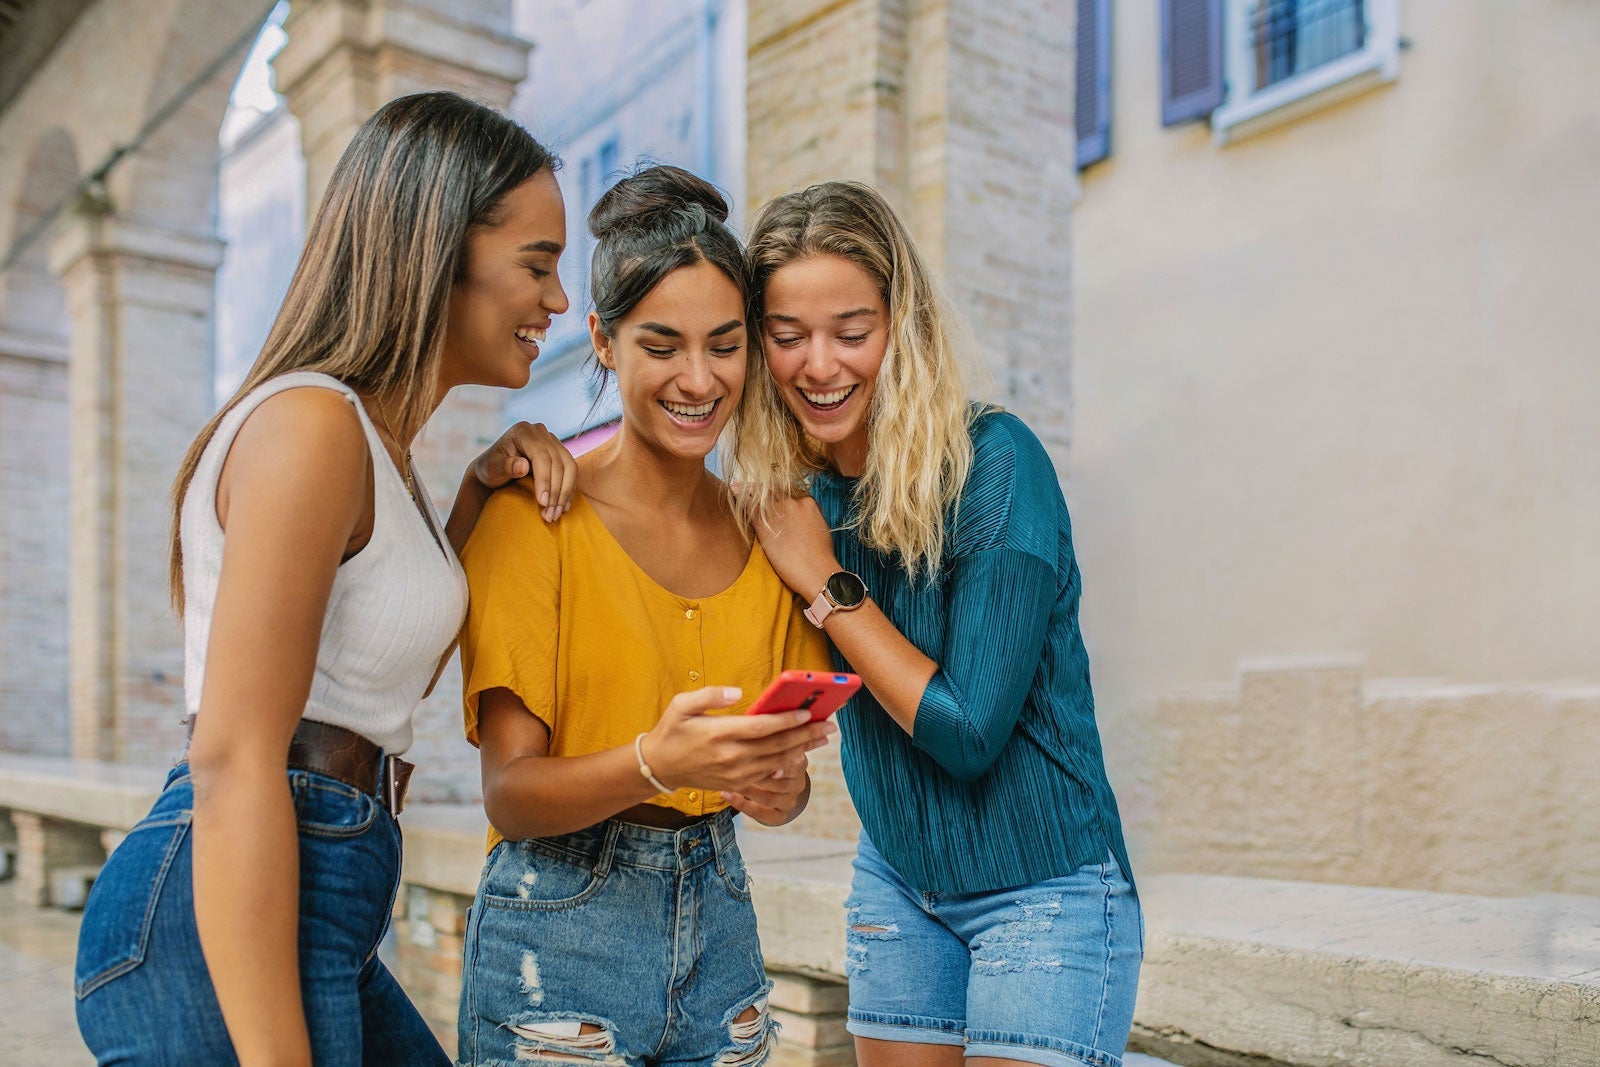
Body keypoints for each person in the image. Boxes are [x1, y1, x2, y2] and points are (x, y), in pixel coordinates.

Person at [73, 91, 578, 1066]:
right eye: (538, 264)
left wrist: (475, 495)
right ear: (439, 249)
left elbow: (374, 676)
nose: (558, 302)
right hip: (223, 902)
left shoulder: (374, 448)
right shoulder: (312, 428)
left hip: (324, 882)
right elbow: (232, 762)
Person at [730, 180, 1143, 1067]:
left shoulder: (996, 464)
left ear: (899, 328)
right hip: (898, 882)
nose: (820, 365)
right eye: (787, 335)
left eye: (852, 331)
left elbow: (968, 731)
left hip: (1046, 890)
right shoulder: (792, 500)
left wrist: (827, 581)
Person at [454, 164, 835, 1067]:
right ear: (603, 341)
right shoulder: (532, 516)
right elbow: (510, 794)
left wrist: (782, 791)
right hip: (558, 942)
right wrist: (654, 763)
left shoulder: (771, 531)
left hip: (726, 935)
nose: (698, 380)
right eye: (661, 345)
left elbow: (777, 781)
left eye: (725, 345)